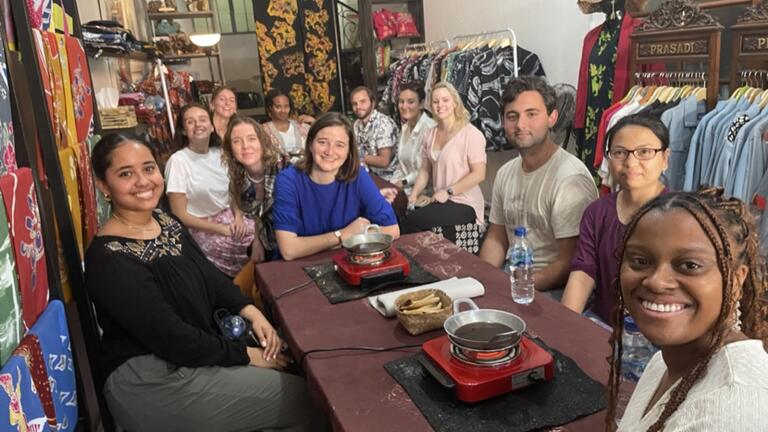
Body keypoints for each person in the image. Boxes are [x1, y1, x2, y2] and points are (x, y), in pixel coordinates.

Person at [85, 133, 315, 432]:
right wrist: (247, 356)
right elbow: (171, 337)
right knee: (309, 400)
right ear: (104, 185)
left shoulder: (165, 221)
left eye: (149, 168)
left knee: (300, 368)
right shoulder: (108, 257)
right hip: (154, 380)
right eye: (126, 173)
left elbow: (209, 276)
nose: (143, 181)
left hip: (196, 355)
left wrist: (251, 312)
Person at [606, 189, 768, 432]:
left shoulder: (732, 409)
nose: (657, 282)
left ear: (736, 280)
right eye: (640, 261)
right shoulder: (665, 359)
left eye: (690, 265)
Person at [479, 76, 598, 293]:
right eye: (512, 116)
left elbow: (568, 263)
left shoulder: (570, 179)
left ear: (552, 117)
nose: (521, 125)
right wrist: (484, 282)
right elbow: (497, 239)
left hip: (553, 290)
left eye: (531, 114)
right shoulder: (505, 173)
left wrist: (513, 287)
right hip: (512, 279)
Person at [562, 114, 669, 325]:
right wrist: (566, 328)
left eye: (644, 152)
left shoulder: (681, 215)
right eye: (620, 153)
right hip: (604, 326)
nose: (631, 162)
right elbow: (583, 275)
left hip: (660, 330)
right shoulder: (597, 212)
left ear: (665, 159)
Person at [272, 112, 399, 261]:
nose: (330, 151)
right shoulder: (288, 180)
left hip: (345, 261)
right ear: (311, 144)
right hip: (296, 269)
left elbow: (392, 230)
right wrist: (343, 235)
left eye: (340, 145)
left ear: (349, 151)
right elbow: (289, 250)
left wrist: (354, 237)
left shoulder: (357, 175)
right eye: (323, 142)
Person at [165, 103, 254, 277]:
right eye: (190, 122)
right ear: (183, 131)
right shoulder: (178, 161)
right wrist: (221, 229)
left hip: (230, 217)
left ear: (212, 126)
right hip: (202, 226)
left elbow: (232, 193)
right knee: (237, 246)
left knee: (262, 237)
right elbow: (179, 214)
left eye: (203, 119)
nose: (198, 124)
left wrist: (238, 218)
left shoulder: (220, 154)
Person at [402, 81, 486, 243]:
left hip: (465, 202)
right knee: (406, 214)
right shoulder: (430, 134)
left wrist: (448, 191)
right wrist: (414, 194)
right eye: (435, 101)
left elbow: (479, 174)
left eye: (445, 100)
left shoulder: (470, 134)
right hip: (440, 201)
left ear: (455, 102)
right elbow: (425, 170)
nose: (440, 105)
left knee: (413, 221)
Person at [222, 116, 286, 263]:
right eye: (237, 141)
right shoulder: (238, 181)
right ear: (230, 150)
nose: (245, 146)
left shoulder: (284, 166)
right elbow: (258, 214)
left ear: (262, 142)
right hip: (270, 240)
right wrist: (258, 239)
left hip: (297, 238)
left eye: (251, 138)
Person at [390, 81, 436, 196]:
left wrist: (403, 182)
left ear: (421, 104)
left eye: (410, 102)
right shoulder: (405, 128)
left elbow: (426, 169)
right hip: (405, 189)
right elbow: (401, 165)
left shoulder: (430, 129)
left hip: (425, 192)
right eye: (401, 102)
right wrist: (392, 184)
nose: (404, 106)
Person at [351, 86, 399, 182]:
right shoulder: (357, 124)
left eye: (362, 101)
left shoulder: (383, 123)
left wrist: (356, 157)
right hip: (366, 175)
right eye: (354, 104)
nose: (358, 107)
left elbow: (384, 161)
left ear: (373, 103)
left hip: (388, 179)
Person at [262, 88, 313, 156]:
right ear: (270, 108)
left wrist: (314, 121)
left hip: (305, 166)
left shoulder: (303, 126)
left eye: (286, 106)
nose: (283, 110)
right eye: (278, 107)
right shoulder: (262, 131)